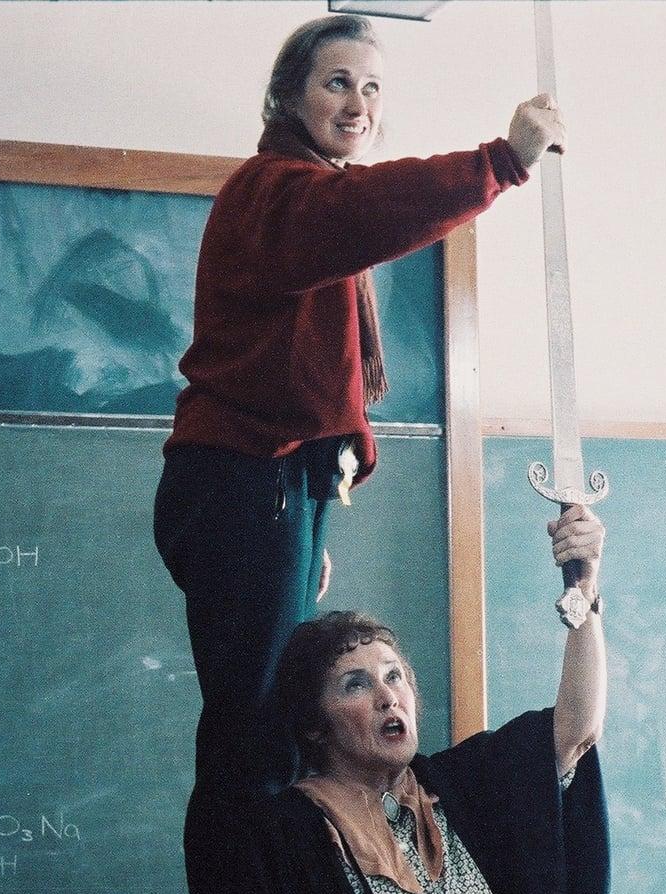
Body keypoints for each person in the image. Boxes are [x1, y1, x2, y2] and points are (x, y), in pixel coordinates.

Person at [153, 13, 567, 795]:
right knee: (257, 734)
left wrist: (306, 512)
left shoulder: (302, 197)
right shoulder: (277, 193)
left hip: (271, 484)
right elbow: (371, 211)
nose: (358, 104)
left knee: (268, 727)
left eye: (372, 88)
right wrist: (503, 160)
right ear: (288, 98)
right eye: (337, 82)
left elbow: (302, 379)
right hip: (246, 481)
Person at [184, 505, 624, 894]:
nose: (387, 696)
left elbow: (576, 731)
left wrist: (585, 592)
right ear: (314, 724)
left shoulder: (457, 789)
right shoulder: (277, 834)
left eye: (394, 676)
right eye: (355, 684)